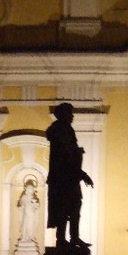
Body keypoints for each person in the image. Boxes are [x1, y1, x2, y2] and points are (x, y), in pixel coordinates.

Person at [45, 103, 94, 247]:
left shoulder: (64, 130)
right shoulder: (62, 131)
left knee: (71, 207)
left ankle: (71, 238)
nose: (72, 116)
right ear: (63, 115)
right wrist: (82, 173)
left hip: (67, 177)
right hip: (64, 178)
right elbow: (66, 156)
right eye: (70, 113)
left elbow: (68, 153)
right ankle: (65, 239)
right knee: (67, 208)